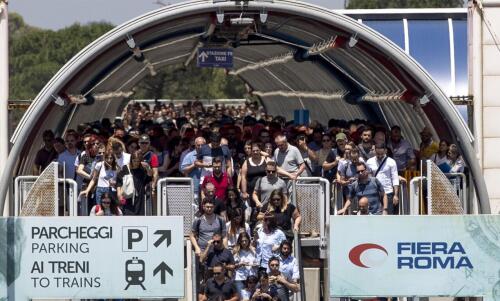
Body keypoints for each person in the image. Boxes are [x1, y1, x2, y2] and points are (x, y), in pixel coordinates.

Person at [366, 143, 399, 215]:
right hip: (374, 193)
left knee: (388, 214)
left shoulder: (391, 162)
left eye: (381, 154)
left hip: (388, 192)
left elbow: (395, 178)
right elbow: (368, 178)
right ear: (374, 151)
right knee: (374, 214)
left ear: (385, 151)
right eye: (378, 154)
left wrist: (395, 195)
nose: (380, 156)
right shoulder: (369, 162)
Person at [116, 151, 153, 216]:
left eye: (138, 161)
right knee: (128, 216)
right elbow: (119, 181)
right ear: (131, 160)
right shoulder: (126, 168)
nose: (136, 163)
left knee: (139, 217)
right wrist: (119, 193)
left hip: (139, 197)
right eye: (134, 161)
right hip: (128, 196)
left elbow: (149, 178)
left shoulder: (142, 169)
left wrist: (148, 168)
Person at [180, 136, 206, 203]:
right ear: (195, 145)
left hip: (207, 189)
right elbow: (183, 170)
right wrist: (194, 165)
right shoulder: (189, 156)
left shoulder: (209, 155)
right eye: (198, 145)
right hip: (194, 189)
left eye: (202, 145)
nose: (200, 147)